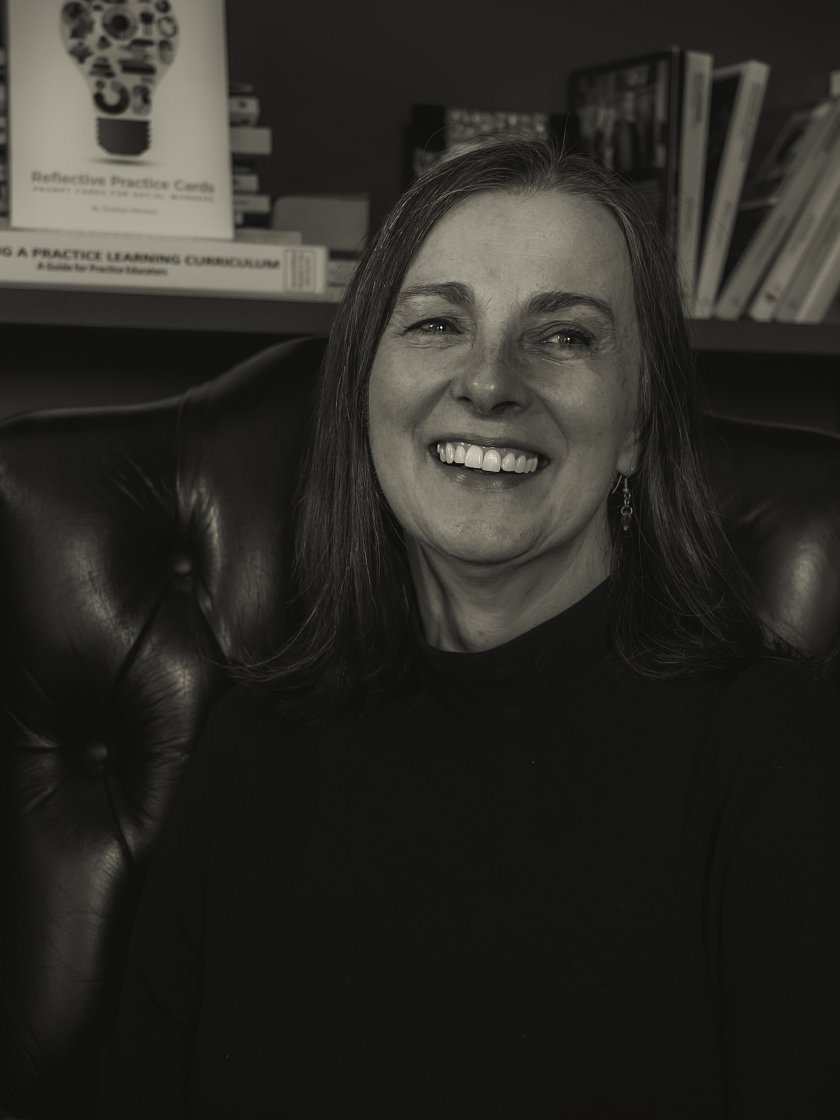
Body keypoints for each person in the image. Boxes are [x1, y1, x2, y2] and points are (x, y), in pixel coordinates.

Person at [97, 137, 840, 1118]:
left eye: (565, 335)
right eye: (439, 323)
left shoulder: (780, 752)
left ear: (636, 426)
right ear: (367, 388)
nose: (490, 382)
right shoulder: (255, 745)